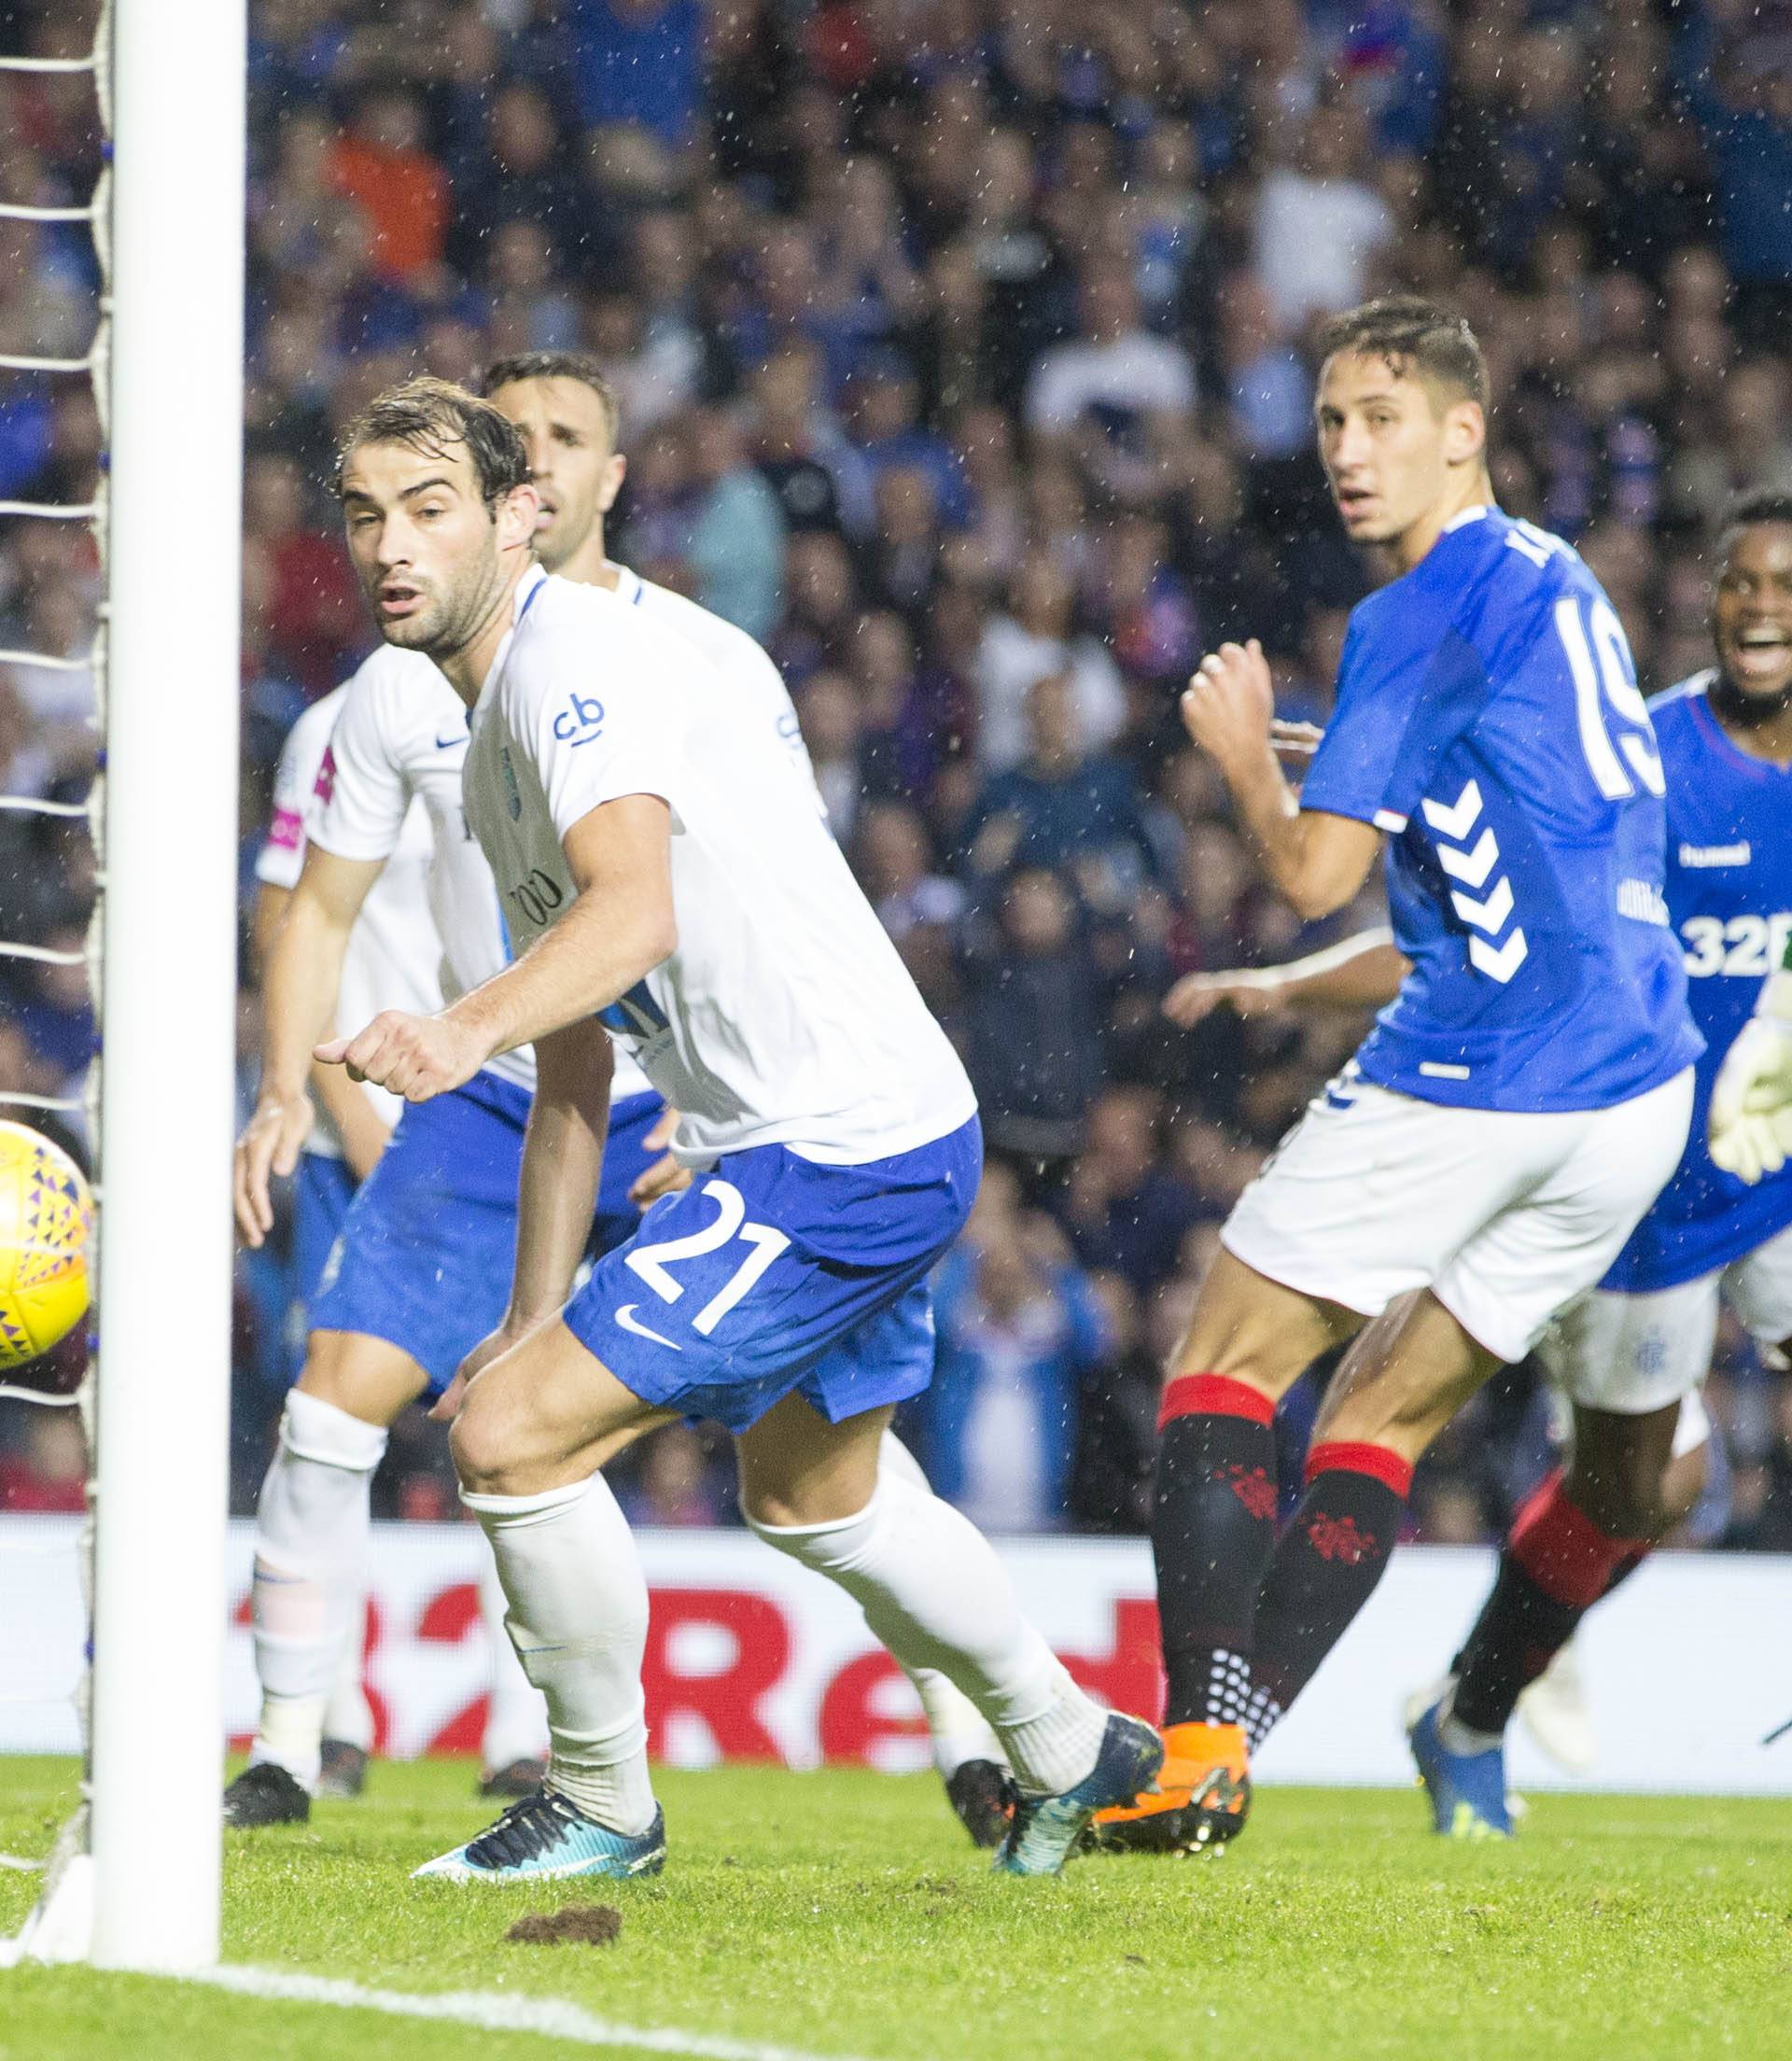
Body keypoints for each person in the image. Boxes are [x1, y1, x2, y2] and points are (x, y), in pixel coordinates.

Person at [321, 375, 1160, 1883]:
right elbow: (580, 1049)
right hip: (853, 1124)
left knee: (512, 1444)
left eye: (429, 508)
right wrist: (528, 1310)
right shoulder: (500, 728)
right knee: (810, 1495)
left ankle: (600, 1801)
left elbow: (628, 914)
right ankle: (1073, 1746)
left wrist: (455, 1029)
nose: (392, 543)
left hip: (829, 1142)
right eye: (367, 514)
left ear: (521, 519)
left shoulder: (566, 669)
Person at [1096, 296, 1700, 1854]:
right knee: (1378, 1414)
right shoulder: (1558, 585)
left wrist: (1236, 749)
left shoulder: (1415, 614)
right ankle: (1227, 1754)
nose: (1349, 451)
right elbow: (1525, 848)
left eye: (1379, 416)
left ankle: (1188, 1748)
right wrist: (1377, 769)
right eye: (1329, 423)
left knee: (1222, 1363)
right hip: (1639, 1091)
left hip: (1492, 1072)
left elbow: (1309, 874)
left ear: (1464, 429)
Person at [249, 685, 551, 1802]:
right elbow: (291, 923)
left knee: (519, 1420)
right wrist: (344, 1115)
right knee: (333, 1415)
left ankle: (522, 1735)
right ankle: (325, 1724)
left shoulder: (554, 700)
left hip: (513, 1117)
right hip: (362, 1134)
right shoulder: (334, 727)